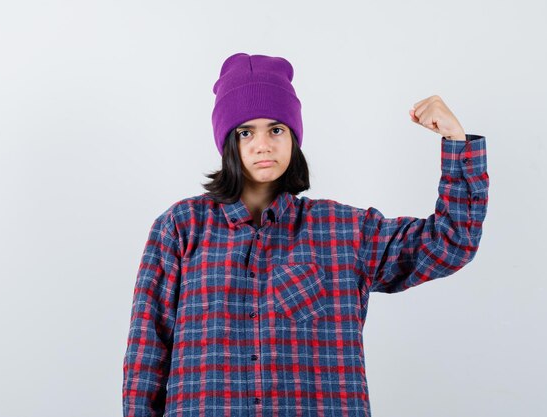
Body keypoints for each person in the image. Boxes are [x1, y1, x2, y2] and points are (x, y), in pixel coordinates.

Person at [122, 52, 489, 417]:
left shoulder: (343, 231)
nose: (262, 144)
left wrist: (456, 142)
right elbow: (146, 353)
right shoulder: (180, 227)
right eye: (245, 131)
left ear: (293, 137)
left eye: (276, 129)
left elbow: (450, 242)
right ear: (226, 141)